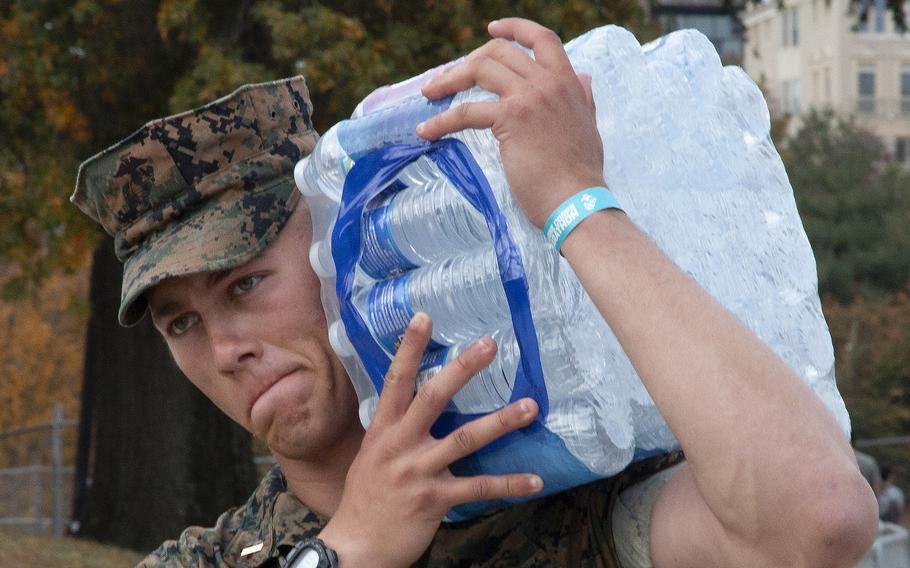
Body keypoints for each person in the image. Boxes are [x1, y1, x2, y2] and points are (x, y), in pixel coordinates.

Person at [72, 18, 878, 568]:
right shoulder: (212, 557)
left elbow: (820, 521)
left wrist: (573, 201)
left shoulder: (554, 490)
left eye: (246, 284)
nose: (223, 349)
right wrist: (348, 552)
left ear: (337, 244)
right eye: (181, 323)